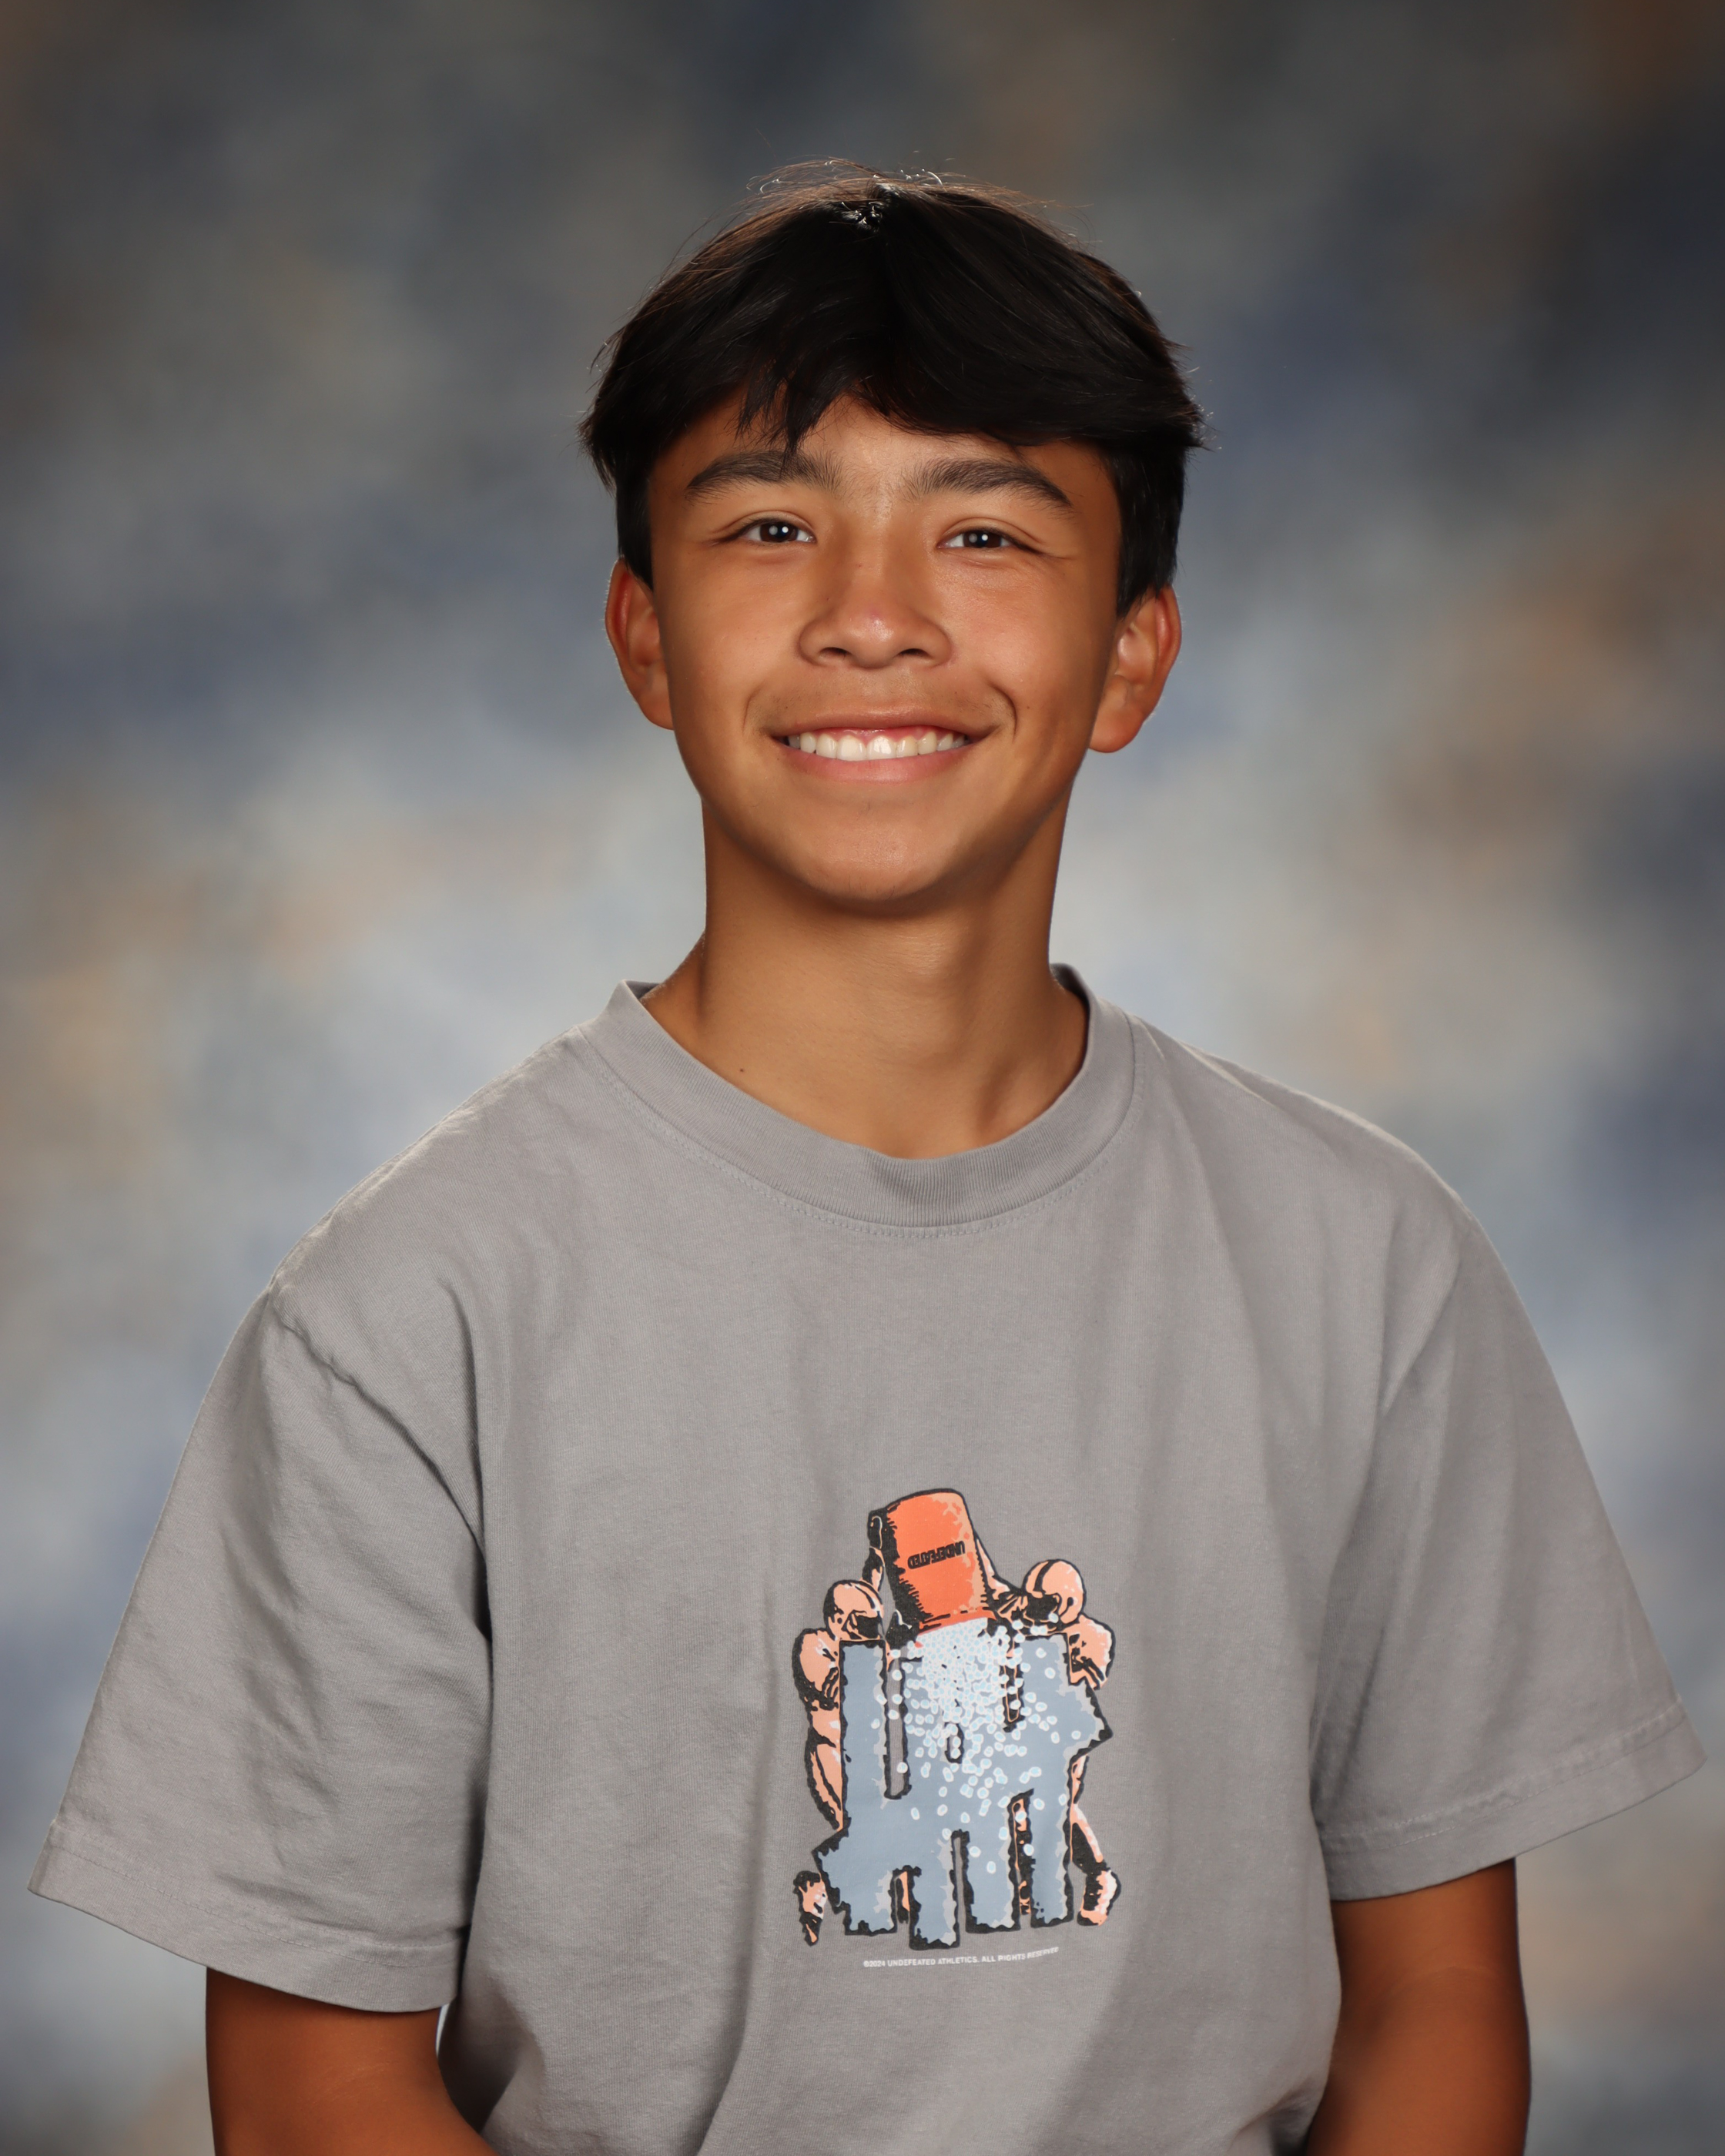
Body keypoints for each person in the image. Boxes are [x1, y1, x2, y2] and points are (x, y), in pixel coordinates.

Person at [32, 166, 1702, 2156]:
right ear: (646, 640)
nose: (873, 618)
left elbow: (1435, 2009)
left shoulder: (1374, 1274)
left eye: (984, 530)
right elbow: (317, 2087)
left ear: (1134, 653)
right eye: (770, 527)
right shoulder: (403, 1327)